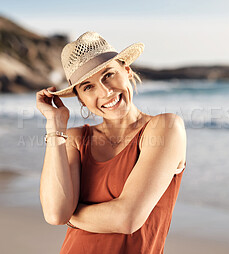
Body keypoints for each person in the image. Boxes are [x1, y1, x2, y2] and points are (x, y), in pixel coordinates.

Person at [36, 31, 187, 254]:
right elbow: (55, 214)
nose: (106, 92)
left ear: (126, 70)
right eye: (88, 87)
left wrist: (72, 214)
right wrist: (56, 126)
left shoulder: (165, 128)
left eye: (108, 75)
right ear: (82, 100)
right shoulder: (75, 140)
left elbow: (128, 218)